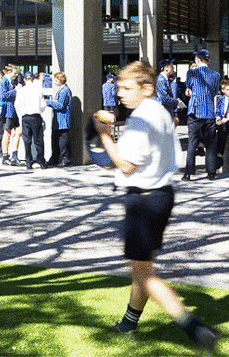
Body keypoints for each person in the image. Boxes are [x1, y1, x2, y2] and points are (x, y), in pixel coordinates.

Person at [93, 61, 221, 351]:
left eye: (127, 88)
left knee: (143, 274)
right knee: (141, 265)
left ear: (147, 88)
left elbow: (126, 165)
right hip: (161, 195)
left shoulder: (140, 119)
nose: (120, 94)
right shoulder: (160, 112)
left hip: (144, 201)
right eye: (118, 88)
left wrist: (102, 134)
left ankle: (195, 328)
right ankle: (128, 323)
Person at [183, 48, 220, 181]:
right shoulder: (216, 75)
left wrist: (192, 70)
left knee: (192, 142)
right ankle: (211, 172)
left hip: (195, 112)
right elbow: (215, 92)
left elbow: (188, 88)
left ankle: (188, 173)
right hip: (209, 112)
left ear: (197, 60)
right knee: (211, 144)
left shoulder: (192, 73)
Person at [16, 72, 46, 169]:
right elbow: (43, 106)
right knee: (38, 140)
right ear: (33, 79)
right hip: (36, 116)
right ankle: (41, 161)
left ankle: (28, 162)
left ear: (24, 79)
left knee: (27, 140)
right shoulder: (38, 90)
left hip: (26, 117)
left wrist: (22, 112)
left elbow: (17, 105)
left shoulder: (21, 91)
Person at [46, 71, 72, 167]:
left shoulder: (64, 90)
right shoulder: (62, 90)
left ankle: (65, 159)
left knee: (63, 142)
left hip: (62, 121)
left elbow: (60, 106)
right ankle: (56, 158)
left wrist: (48, 102)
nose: (54, 82)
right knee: (56, 140)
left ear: (61, 80)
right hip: (58, 121)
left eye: (56, 80)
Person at [0, 65, 21, 166]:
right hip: (8, 110)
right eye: (14, 73)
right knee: (7, 132)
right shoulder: (4, 81)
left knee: (19, 131)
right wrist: (15, 90)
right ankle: (5, 156)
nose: (15, 75)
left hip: (14, 109)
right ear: (8, 72)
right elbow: (2, 95)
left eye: (16, 73)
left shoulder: (13, 81)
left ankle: (14, 155)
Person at [215, 79, 229, 173]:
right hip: (223, 121)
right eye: (224, 89)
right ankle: (218, 155)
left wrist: (227, 119)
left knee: (223, 129)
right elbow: (218, 111)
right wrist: (218, 118)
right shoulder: (220, 99)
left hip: (227, 121)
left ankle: (219, 154)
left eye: (227, 89)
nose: (225, 91)